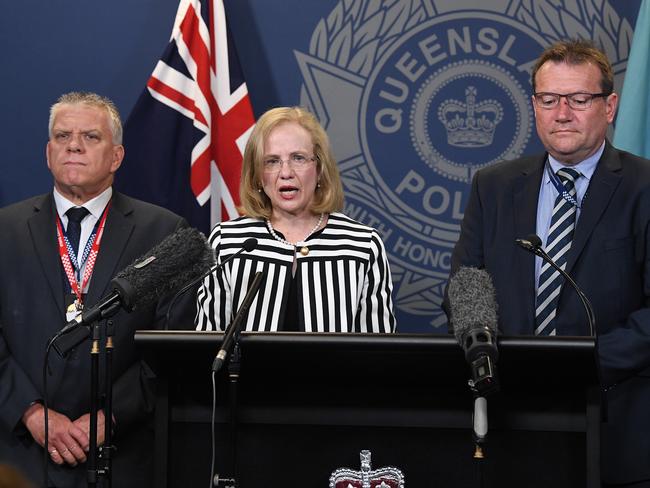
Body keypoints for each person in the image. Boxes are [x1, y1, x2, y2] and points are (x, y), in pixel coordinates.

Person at [444, 39, 650, 486]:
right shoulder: (494, 187)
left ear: (610, 106)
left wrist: (580, 364)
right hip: (510, 423)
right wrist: (486, 351)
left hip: (616, 426)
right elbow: (467, 284)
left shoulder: (644, 187)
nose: (562, 113)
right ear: (534, 105)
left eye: (579, 99)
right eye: (549, 99)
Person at [0, 92, 189, 487]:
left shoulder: (164, 233)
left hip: (122, 457)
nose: (73, 145)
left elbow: (171, 350)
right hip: (20, 457)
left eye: (90, 136)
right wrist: (30, 412)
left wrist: (109, 417)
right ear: (48, 152)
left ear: (116, 156)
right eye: (62, 136)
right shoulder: (5, 230)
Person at [196, 106, 395, 333]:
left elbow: (379, 353)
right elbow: (207, 346)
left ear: (319, 169)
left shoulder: (361, 245)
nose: (286, 172)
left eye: (298, 158)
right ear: (258, 175)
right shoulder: (228, 242)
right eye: (271, 161)